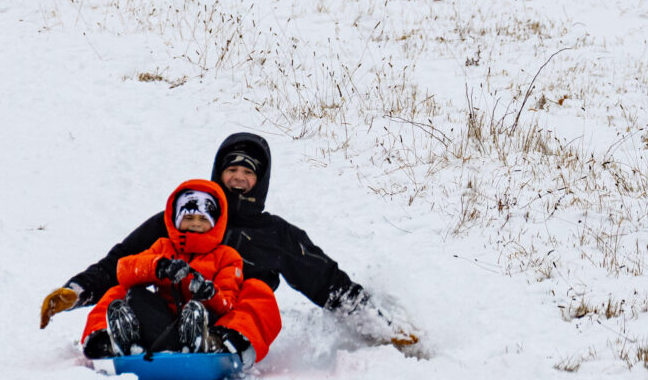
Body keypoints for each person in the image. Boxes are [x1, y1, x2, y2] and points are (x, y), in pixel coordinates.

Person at [41, 133, 416, 365]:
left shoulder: (275, 234)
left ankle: (219, 344)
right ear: (217, 172)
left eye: (249, 171)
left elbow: (327, 282)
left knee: (257, 290)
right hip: (170, 312)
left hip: (225, 319)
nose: (239, 176)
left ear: (261, 180)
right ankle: (108, 339)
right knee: (129, 285)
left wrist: (381, 326)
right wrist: (74, 292)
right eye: (231, 168)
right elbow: (120, 262)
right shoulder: (180, 217)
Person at [81, 179, 251, 360]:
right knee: (130, 293)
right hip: (162, 325)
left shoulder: (227, 256)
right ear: (177, 220)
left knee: (197, 309)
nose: (195, 223)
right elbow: (124, 270)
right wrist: (159, 267)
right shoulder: (163, 247)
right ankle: (124, 342)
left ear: (215, 223)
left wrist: (210, 293)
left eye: (203, 219)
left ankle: (204, 343)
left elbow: (228, 304)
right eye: (188, 217)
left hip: (203, 321)